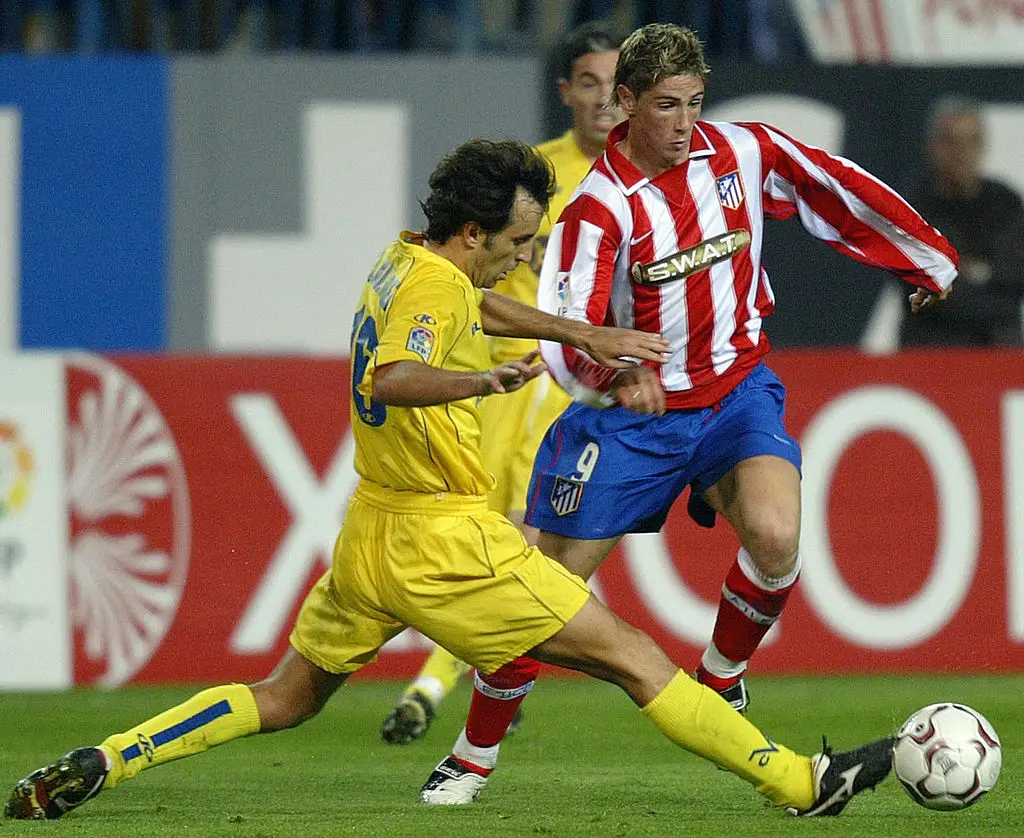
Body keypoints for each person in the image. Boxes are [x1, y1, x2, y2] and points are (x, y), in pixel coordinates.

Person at [5, 138, 893, 822]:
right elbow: (391, 373)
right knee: (633, 657)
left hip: (372, 533)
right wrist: (484, 379)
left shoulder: (407, 260)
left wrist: (579, 334)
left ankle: (110, 758)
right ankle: (798, 781)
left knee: (284, 697)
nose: (523, 254)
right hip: (444, 538)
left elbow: (480, 301)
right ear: (474, 232)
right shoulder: (436, 296)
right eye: (516, 241)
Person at [420, 22, 956, 805]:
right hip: (629, 423)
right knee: (542, 598)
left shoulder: (737, 152)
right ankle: (472, 756)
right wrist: (617, 373)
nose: (683, 124)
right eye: (667, 106)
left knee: (776, 536)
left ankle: (722, 678)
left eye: (695, 104)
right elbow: (568, 338)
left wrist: (925, 257)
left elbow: (828, 186)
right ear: (626, 104)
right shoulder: (595, 212)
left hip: (735, 392)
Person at [380, 20, 625, 746]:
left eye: (617, 86)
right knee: (479, 540)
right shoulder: (532, 177)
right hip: (494, 375)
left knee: (522, 542)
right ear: (566, 93)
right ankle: (487, 666)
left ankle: (433, 682)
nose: (605, 101)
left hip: (565, 388)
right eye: (590, 84)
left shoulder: (645, 186)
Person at [897, 94, 1024, 347]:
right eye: (950, 141)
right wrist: (992, 278)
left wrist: (973, 272)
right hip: (932, 348)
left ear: (983, 145)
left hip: (1001, 346)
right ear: (931, 145)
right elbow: (929, 291)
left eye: (971, 141)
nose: (961, 153)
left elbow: (1017, 275)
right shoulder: (910, 208)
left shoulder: (1005, 203)